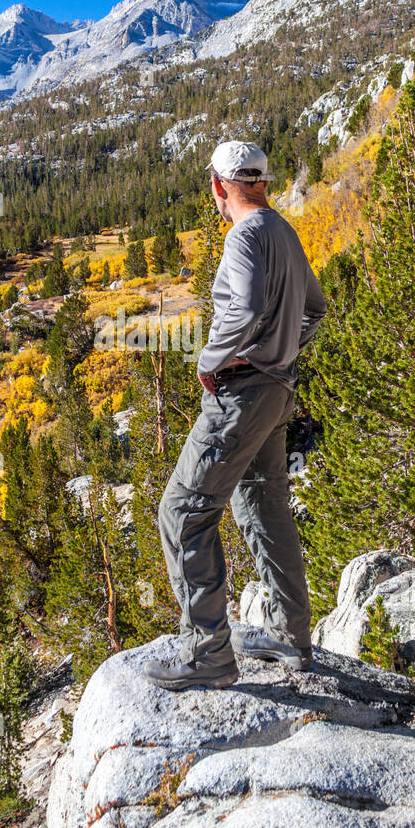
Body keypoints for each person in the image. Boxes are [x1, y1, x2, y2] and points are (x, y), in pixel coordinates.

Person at [144, 140, 328, 690]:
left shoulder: (244, 235)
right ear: (261, 182)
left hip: (240, 396)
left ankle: (209, 654)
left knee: (183, 511)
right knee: (264, 504)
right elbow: (315, 310)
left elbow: (244, 309)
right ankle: (290, 636)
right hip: (277, 392)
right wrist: (281, 350)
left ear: (220, 186)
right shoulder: (284, 231)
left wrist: (213, 358)